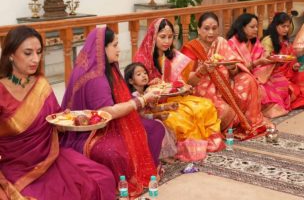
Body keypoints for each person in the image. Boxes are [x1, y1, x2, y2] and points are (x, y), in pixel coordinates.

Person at [0, 25, 115, 200]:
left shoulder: (41, 84)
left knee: (102, 177)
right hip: (18, 165)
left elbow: (54, 117)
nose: (35, 59)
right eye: (28, 53)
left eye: (39, 52)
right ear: (10, 55)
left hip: (50, 155)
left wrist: (64, 120)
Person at [61, 27, 164, 197]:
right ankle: (125, 179)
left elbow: (120, 99)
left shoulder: (108, 69)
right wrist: (141, 100)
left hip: (116, 120)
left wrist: (143, 100)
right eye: (115, 45)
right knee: (115, 151)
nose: (119, 49)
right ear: (103, 48)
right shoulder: (95, 77)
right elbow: (106, 112)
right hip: (93, 130)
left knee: (155, 129)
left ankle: (145, 169)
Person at [134, 18, 225, 162]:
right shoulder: (142, 59)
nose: (167, 41)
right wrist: (148, 85)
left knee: (205, 106)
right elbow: (135, 88)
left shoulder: (173, 56)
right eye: (163, 37)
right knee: (178, 118)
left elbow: (180, 81)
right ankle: (183, 149)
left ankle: (203, 144)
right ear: (153, 36)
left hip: (175, 97)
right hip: (152, 105)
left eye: (170, 37)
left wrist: (184, 85)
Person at [182, 12, 269, 140]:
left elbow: (234, 70)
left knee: (248, 79)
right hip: (202, 93)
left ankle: (249, 119)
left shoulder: (221, 42)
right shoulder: (190, 48)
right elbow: (186, 81)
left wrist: (232, 67)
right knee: (227, 113)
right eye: (206, 28)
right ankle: (234, 120)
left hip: (226, 88)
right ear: (198, 30)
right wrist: (202, 71)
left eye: (214, 28)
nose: (211, 32)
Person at [227, 13, 290, 118]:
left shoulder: (254, 41)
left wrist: (272, 61)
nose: (256, 29)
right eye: (252, 27)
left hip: (257, 74)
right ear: (242, 27)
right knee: (261, 88)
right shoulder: (232, 44)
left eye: (256, 26)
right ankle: (258, 110)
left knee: (282, 82)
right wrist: (258, 63)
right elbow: (234, 70)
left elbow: (261, 59)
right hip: (240, 78)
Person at [261, 12, 304, 110]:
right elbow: (264, 60)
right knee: (292, 89)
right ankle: (302, 101)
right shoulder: (268, 41)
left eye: (288, 26)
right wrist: (273, 59)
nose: (286, 29)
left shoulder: (286, 41)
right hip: (274, 75)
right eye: (283, 26)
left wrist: (294, 67)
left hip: (289, 73)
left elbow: (292, 58)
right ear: (275, 26)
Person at [124, 62, 178, 160]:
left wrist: (167, 106)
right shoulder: (135, 96)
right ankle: (159, 155)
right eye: (139, 74)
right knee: (158, 123)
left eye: (145, 73)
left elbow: (151, 108)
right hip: (137, 123)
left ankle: (162, 154)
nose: (144, 76)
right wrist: (157, 116)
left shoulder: (145, 92)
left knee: (164, 122)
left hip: (146, 119)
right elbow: (141, 116)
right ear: (131, 81)